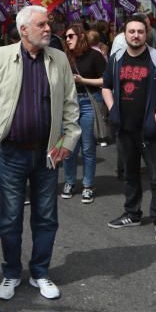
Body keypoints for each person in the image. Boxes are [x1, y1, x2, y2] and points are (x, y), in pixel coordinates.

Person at [0, 5, 80, 301]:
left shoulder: (58, 59)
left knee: (46, 217)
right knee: (10, 217)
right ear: (24, 30)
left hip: (48, 154)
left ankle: (40, 272)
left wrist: (68, 141)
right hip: (11, 154)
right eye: (41, 25)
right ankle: (11, 273)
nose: (48, 29)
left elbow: (71, 105)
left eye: (48, 24)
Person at [102, 14, 156, 242]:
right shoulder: (116, 59)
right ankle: (132, 213)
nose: (136, 35)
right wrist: (113, 108)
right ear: (125, 34)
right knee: (130, 174)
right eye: (132, 31)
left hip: (149, 129)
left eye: (140, 32)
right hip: (125, 129)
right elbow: (106, 86)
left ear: (147, 34)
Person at [61, 22, 107, 203]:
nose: (67, 40)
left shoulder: (94, 56)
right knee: (69, 148)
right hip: (69, 104)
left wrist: (82, 80)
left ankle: (88, 185)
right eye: (66, 37)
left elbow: (105, 80)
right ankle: (70, 182)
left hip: (88, 102)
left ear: (80, 37)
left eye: (70, 36)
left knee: (88, 147)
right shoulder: (65, 56)